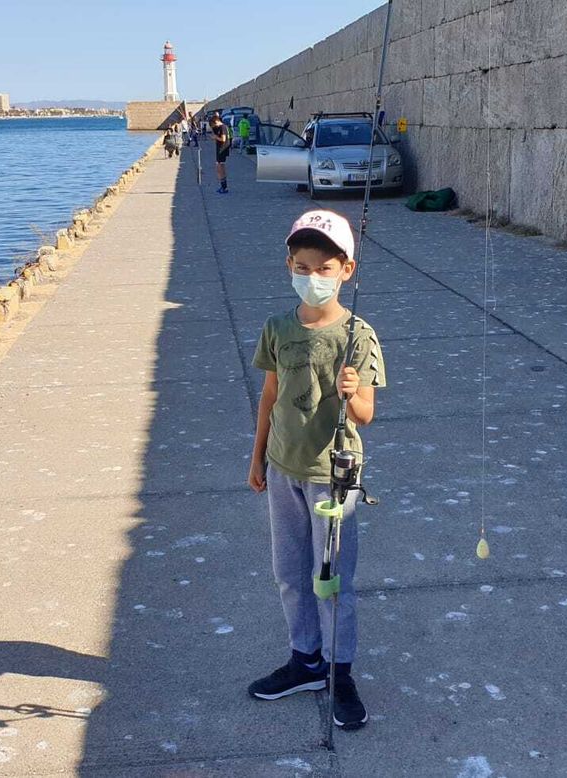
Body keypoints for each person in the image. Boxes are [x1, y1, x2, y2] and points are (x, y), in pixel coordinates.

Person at [246, 209, 386, 732]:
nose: (313, 277)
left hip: (333, 478)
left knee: (332, 580)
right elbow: (269, 396)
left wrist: (353, 395)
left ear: (346, 270)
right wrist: (256, 455)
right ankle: (304, 660)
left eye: (325, 268)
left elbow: (366, 415)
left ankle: (338, 670)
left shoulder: (360, 335)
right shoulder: (277, 328)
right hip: (282, 471)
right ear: (289, 265)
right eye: (303, 266)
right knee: (289, 572)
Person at [211, 114, 232, 193]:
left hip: (221, 150)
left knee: (220, 169)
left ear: (216, 121)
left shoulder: (223, 127)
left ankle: (224, 187)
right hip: (221, 150)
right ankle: (223, 186)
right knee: (220, 168)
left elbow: (223, 139)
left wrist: (215, 137)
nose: (213, 126)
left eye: (213, 124)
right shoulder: (222, 127)